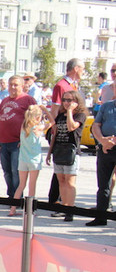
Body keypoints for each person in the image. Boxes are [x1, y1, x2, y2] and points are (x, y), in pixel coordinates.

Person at [46, 90, 87, 222]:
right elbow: (55, 133)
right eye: (64, 100)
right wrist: (49, 152)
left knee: (70, 182)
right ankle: (63, 207)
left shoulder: (80, 115)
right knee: (61, 180)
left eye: (70, 100)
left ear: (76, 101)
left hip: (71, 151)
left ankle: (70, 209)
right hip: (59, 150)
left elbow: (71, 127)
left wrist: (70, 112)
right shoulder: (60, 115)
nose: (66, 103)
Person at [48, 58, 84, 207]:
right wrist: (53, 127)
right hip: (60, 131)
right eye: (82, 68)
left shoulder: (73, 85)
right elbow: (55, 108)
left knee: (67, 177)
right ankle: (56, 201)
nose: (83, 72)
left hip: (71, 142)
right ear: (76, 68)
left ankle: (66, 205)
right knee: (60, 175)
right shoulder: (61, 85)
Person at [0, 75, 36, 199]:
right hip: (3, 142)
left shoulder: (28, 100)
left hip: (18, 142)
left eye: (16, 85)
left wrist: (26, 139)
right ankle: (11, 195)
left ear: (22, 86)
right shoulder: (4, 100)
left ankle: (17, 197)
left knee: (16, 171)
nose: (12, 87)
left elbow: (34, 121)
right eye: (10, 84)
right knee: (7, 172)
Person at [9, 105, 46, 216]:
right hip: (34, 160)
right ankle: (29, 211)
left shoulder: (24, 126)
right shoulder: (38, 128)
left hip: (23, 159)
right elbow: (52, 122)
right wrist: (45, 111)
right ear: (38, 117)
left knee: (21, 185)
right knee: (32, 185)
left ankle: (12, 209)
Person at [87, 96, 116, 226]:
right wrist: (102, 140)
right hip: (106, 149)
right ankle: (101, 217)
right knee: (103, 185)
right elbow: (96, 125)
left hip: (110, 145)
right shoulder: (106, 106)